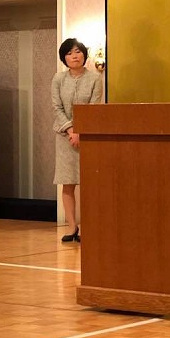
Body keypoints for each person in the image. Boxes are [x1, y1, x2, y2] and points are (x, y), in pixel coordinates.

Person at [52, 38, 103, 243]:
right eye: (70, 53)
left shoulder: (94, 79)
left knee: (88, 182)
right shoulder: (58, 79)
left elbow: (93, 107)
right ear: (64, 58)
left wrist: (81, 132)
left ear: (84, 55)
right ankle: (72, 226)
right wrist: (71, 130)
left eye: (78, 52)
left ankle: (88, 226)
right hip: (65, 137)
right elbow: (57, 107)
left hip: (87, 137)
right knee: (68, 183)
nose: (75, 56)